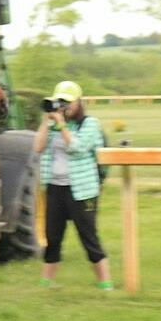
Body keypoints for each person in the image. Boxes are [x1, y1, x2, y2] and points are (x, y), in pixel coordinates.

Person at [35, 80, 111, 290]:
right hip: (55, 188)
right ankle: (46, 282)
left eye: (68, 102)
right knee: (53, 237)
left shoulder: (90, 124)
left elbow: (77, 148)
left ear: (78, 103)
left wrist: (61, 125)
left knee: (88, 236)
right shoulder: (53, 125)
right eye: (60, 102)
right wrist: (46, 122)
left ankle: (105, 282)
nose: (64, 106)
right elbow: (38, 147)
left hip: (82, 191)